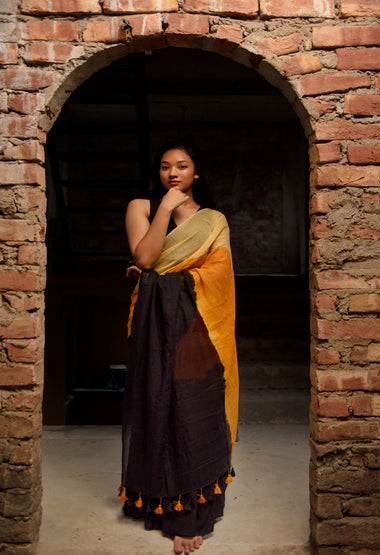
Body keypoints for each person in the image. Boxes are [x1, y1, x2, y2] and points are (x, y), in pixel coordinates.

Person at [119, 141, 239, 554]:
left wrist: (158, 279)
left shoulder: (214, 220)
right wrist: (166, 208)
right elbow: (148, 258)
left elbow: (219, 274)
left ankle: (190, 511)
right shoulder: (142, 206)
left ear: (196, 173)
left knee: (191, 407)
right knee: (155, 405)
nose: (174, 172)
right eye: (166, 167)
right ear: (159, 174)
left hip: (196, 325)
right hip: (152, 324)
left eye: (183, 166)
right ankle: (155, 501)